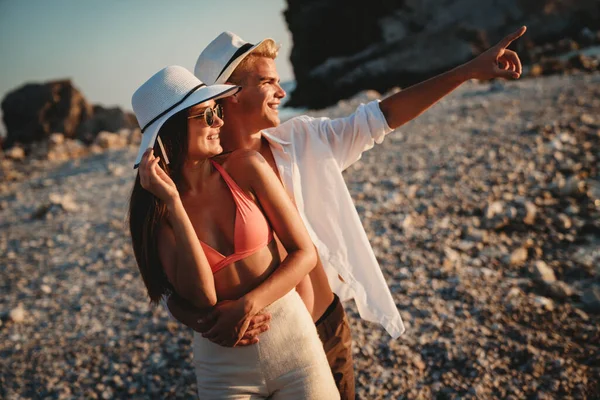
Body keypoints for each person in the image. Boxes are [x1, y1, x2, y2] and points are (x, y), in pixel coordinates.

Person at [168, 26, 527, 399]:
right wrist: (204, 323)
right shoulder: (195, 181)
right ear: (231, 95)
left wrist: (466, 71)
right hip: (245, 357)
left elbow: (382, 115)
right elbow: (167, 279)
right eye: (268, 82)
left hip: (324, 331)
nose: (282, 92)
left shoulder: (304, 140)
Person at [128, 65, 339, 399]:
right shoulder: (158, 212)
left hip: (293, 345)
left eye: (217, 111)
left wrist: (248, 305)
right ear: (172, 131)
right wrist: (174, 204)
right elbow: (202, 298)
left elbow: (305, 253)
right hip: (223, 366)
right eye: (206, 115)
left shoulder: (246, 167)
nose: (219, 122)